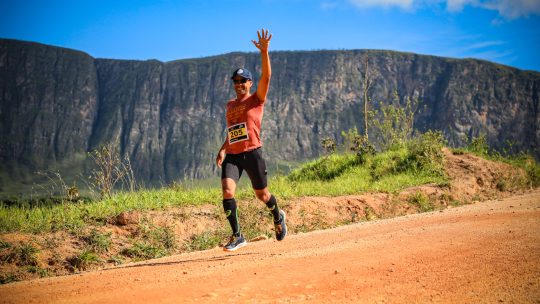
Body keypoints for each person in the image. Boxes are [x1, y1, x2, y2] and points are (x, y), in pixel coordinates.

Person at [216, 29, 287, 251]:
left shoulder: (257, 99)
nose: (238, 84)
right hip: (234, 156)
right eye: (235, 81)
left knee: (262, 195)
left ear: (249, 83)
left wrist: (264, 51)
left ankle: (278, 215)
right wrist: (223, 148)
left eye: (242, 81)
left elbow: (267, 77)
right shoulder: (230, 105)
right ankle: (238, 235)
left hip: (253, 153)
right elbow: (234, 130)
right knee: (227, 192)